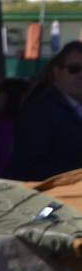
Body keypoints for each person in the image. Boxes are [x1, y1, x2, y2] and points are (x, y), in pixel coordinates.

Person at [5, 40, 82, 182]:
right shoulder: (40, 111)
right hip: (54, 199)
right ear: (57, 72)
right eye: (74, 69)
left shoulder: (75, 108)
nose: (80, 75)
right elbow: (26, 168)